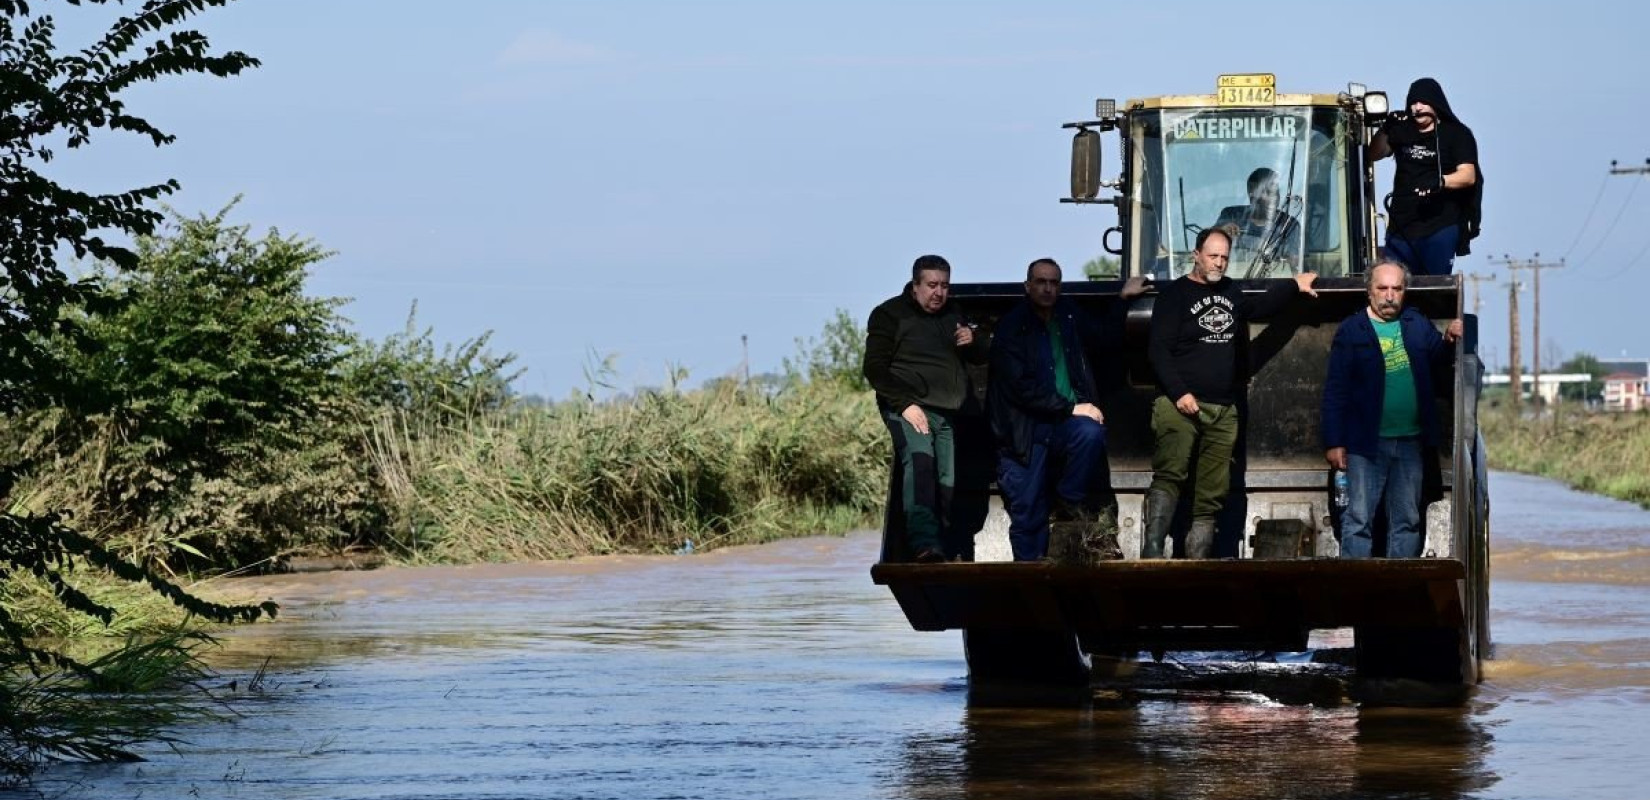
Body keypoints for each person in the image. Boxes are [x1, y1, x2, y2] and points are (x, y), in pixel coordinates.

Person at [1143, 228, 1318, 559]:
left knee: (1212, 489)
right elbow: (1158, 351)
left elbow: (1259, 308)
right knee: (1171, 473)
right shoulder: (1173, 296)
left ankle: (1198, 559)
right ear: (1196, 254)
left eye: (1224, 257)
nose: (1219, 263)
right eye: (1213, 256)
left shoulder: (1231, 292)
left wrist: (1294, 285)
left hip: (1223, 409)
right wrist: (1180, 393)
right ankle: (1152, 548)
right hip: (1178, 404)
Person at [987, 258, 1148, 562]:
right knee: (1028, 515)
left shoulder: (1068, 314)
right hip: (1024, 431)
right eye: (1041, 282)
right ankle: (1030, 577)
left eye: (1054, 282)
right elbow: (1021, 389)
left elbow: (1104, 337)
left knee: (1091, 432)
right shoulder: (1011, 327)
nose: (1048, 288)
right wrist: (1073, 406)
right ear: (1028, 286)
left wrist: (1123, 299)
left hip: (1062, 424)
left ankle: (1067, 501)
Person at [1321, 260, 1462, 558]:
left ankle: (1401, 591)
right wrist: (1334, 442)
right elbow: (1336, 389)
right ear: (1369, 292)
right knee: (1358, 520)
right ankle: (1355, 589)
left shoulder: (1417, 324)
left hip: (1411, 443)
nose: (1389, 295)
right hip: (1364, 446)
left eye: (1396, 289)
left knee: (1408, 521)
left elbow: (1439, 363)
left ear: (1404, 292)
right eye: (1382, 288)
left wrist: (1449, 339)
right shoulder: (1351, 330)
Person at [863, 254, 987, 562]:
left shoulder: (953, 314)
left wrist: (973, 340)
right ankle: (922, 544)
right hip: (908, 408)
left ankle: (939, 546)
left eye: (945, 285)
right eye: (932, 285)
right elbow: (874, 368)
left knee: (946, 481)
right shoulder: (889, 315)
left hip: (946, 411)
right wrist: (905, 405)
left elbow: (980, 357)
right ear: (915, 286)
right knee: (920, 466)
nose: (939, 293)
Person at [1369, 77, 1480, 276]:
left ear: (1436, 103)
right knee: (1395, 283)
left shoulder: (1457, 134)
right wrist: (1385, 128)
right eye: (1413, 103)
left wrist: (1441, 181)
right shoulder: (1402, 130)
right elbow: (1373, 154)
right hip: (1400, 227)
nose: (1417, 108)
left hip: (1439, 226)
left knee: (1433, 285)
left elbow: (1468, 175)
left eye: (1423, 102)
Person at [1212, 167, 1303, 277]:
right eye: (1269, 193)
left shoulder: (1289, 224)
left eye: (1277, 192)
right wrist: (1222, 232)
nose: (1275, 198)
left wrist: (1292, 259)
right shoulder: (1232, 215)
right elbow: (1208, 243)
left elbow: (1296, 264)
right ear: (1253, 195)